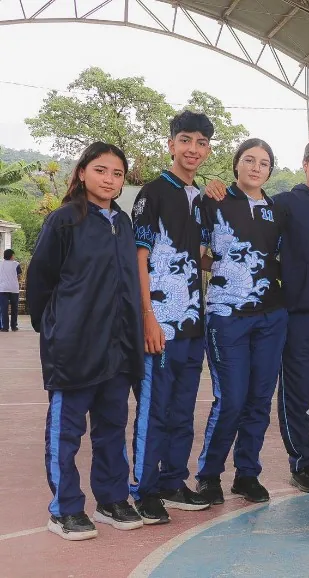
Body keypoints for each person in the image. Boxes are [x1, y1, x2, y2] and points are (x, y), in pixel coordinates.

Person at [204, 137, 309, 493]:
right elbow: (246, 238)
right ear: (305, 164)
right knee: (291, 396)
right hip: (294, 315)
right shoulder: (283, 204)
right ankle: (300, 463)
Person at [27, 142, 144, 540]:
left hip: (118, 347)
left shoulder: (122, 222)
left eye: (117, 173)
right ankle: (65, 509)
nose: (109, 179)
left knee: (112, 426)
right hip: (74, 346)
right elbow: (41, 280)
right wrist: (55, 328)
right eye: (101, 170)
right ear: (81, 172)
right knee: (66, 431)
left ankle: (112, 500)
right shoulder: (64, 220)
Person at [129, 111, 213, 524]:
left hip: (193, 324)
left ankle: (173, 482)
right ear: (171, 145)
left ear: (208, 150)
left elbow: (202, 256)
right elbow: (139, 258)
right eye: (185, 140)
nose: (192, 149)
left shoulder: (202, 199)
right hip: (160, 323)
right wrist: (148, 316)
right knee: (154, 409)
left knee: (182, 410)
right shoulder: (153, 192)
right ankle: (144, 491)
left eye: (201, 143)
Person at [193, 139, 287, 505]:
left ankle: (247, 474)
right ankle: (209, 475)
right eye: (249, 160)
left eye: (263, 163)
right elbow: (197, 253)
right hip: (226, 314)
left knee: (259, 400)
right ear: (236, 164)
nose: (255, 167)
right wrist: (226, 267)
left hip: (270, 316)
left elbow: (282, 258)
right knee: (231, 399)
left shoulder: (276, 211)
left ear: (269, 171)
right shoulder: (213, 201)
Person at [0, 249, 21, 331]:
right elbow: (19, 276)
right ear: (12, 256)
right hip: (14, 289)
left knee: (4, 309)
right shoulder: (16, 264)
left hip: (3, 289)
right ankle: (14, 326)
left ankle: (5, 327)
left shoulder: (0, 263)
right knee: (14, 308)